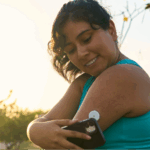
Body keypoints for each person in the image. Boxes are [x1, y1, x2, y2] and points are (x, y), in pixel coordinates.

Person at [27, 0, 150, 149]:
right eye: (71, 50)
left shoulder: (123, 75)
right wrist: (33, 130)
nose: (81, 53)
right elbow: (44, 122)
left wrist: (38, 132)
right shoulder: (83, 83)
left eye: (86, 39)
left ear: (111, 30)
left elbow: (70, 143)